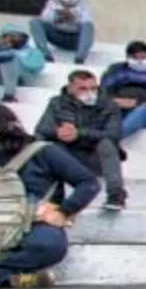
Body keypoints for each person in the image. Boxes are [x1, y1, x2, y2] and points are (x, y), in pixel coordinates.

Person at [0, 102, 99, 289]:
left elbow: (88, 182)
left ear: (2, 126)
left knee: (47, 246)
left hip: (33, 228)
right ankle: (10, 279)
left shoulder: (44, 152)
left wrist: (64, 211)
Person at [35, 70, 127, 211]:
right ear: (70, 88)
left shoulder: (110, 106)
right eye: (83, 88)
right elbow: (42, 129)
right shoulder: (57, 103)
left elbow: (113, 134)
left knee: (107, 144)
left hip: (96, 155)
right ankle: (55, 197)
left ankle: (116, 195)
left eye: (93, 88)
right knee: (49, 147)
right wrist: (58, 132)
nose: (89, 92)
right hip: (67, 152)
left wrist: (79, 133)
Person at [29, 0, 95, 65]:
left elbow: (87, 20)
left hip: (75, 39)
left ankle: (80, 58)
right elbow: (45, 17)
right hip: (57, 36)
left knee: (88, 25)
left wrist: (73, 17)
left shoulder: (83, 4)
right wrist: (58, 17)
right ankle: (45, 55)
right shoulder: (52, 3)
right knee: (35, 21)